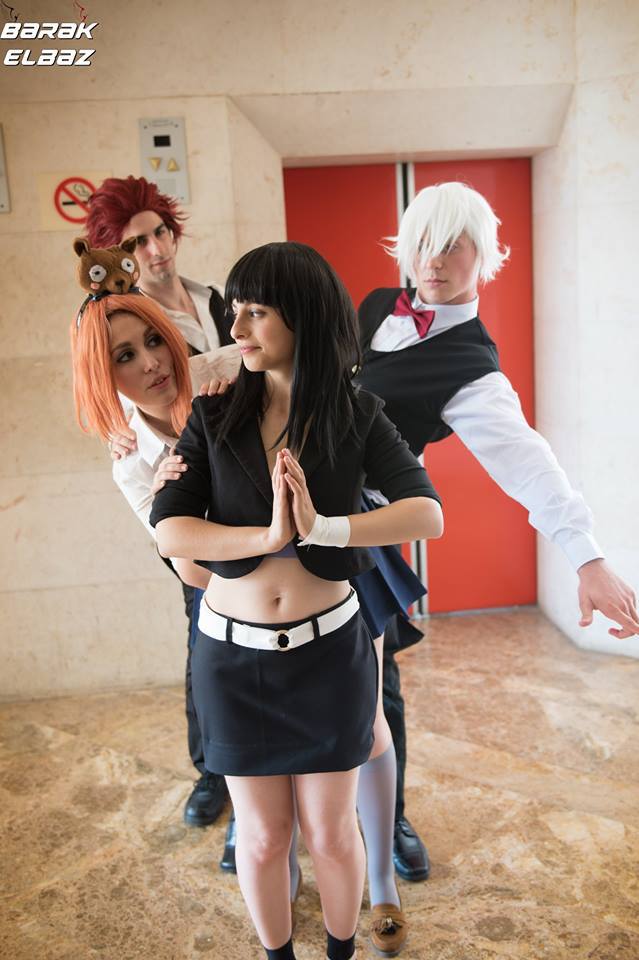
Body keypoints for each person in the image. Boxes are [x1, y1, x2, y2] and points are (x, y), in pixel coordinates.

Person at [149, 242, 444, 960]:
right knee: (261, 837)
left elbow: (426, 513)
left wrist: (323, 527)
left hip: (330, 654)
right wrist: (268, 534)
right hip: (232, 659)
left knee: (333, 834)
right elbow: (170, 528)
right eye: (235, 311)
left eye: (255, 312)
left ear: (302, 316)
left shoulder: (356, 412)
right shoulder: (213, 413)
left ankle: (343, 949)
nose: (237, 329)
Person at [356, 181, 639, 880]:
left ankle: (388, 821)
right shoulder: (373, 306)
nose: (434, 260)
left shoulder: (471, 368)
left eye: (453, 246)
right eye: (423, 243)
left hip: (365, 530)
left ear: (484, 256)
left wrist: (586, 557)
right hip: (288, 512)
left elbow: (527, 461)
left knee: (372, 679)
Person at [85, 176, 233, 831]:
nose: (154, 249)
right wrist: (121, 430)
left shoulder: (214, 298)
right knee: (207, 640)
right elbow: (122, 398)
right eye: (135, 242)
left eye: (160, 232)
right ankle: (212, 771)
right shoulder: (125, 318)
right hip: (188, 508)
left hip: (246, 482)